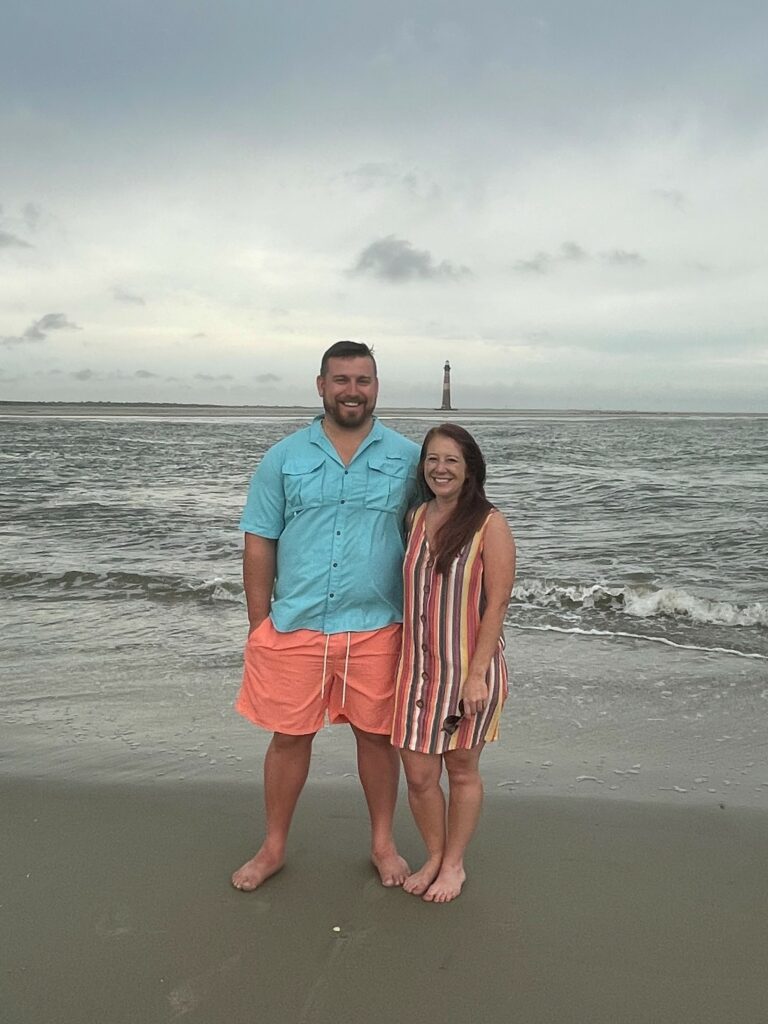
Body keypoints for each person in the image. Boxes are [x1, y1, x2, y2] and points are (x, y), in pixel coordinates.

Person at [231, 340, 421, 891]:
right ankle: (273, 847)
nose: (352, 391)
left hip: (379, 626)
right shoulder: (283, 457)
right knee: (289, 738)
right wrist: (258, 623)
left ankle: (384, 845)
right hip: (297, 624)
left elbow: (438, 535)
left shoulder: (409, 458)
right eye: (340, 380)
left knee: (377, 738)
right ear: (321, 386)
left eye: (362, 380)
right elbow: (259, 541)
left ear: (376, 387)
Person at [390, 423, 516, 903]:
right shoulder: (416, 518)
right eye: (433, 460)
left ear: (470, 470)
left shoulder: (490, 524)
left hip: (468, 673)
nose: (441, 469)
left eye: (452, 461)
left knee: (461, 770)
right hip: (415, 670)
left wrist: (478, 674)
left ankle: (454, 866)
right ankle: (435, 855)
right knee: (420, 776)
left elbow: (498, 603)